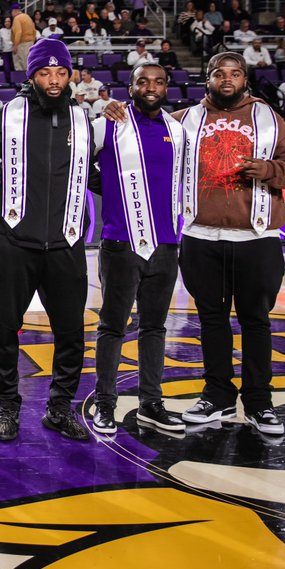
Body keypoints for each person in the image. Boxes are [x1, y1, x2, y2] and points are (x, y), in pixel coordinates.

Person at [169, 52, 285, 434]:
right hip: (201, 237)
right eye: (218, 73)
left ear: (244, 79)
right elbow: (147, 136)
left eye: (234, 73)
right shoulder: (185, 120)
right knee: (212, 321)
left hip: (256, 238)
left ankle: (260, 403)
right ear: (207, 78)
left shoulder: (268, 118)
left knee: (256, 322)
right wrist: (118, 111)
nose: (226, 79)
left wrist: (271, 170)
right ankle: (217, 397)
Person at [0, 36, 93, 443]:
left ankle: (60, 407)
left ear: (70, 76)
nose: (53, 79)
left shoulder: (85, 121)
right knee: (4, 329)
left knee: (71, 332)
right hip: (15, 243)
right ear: (31, 74)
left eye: (60, 72)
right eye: (44, 72)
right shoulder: (5, 116)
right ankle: (9, 407)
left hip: (66, 243)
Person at [89, 62, 187, 435]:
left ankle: (151, 403)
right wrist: (109, 190)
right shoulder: (108, 124)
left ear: (167, 88)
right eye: (143, 82)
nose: (151, 87)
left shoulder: (177, 130)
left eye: (159, 82)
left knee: (155, 327)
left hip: (165, 245)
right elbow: (78, 164)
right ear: (129, 88)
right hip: (120, 243)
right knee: (112, 327)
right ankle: (104, 404)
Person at [10, 5, 36, 73]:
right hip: (30, 43)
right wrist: (33, 41)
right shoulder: (27, 17)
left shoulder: (17, 18)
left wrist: (15, 45)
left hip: (22, 44)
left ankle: (22, 81)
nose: (11, 14)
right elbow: (34, 30)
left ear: (14, 11)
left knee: (21, 66)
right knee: (28, 63)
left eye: (11, 12)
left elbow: (19, 32)